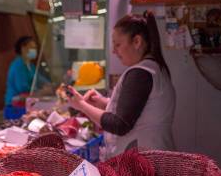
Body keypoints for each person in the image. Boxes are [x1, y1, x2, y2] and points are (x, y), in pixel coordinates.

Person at [65, 11, 176, 155]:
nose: (113, 51)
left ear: (137, 41)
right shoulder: (155, 68)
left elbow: (119, 125)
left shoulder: (140, 74)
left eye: (117, 44)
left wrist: (81, 105)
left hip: (143, 162)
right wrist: (104, 103)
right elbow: (139, 112)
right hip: (153, 156)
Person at [5, 36, 52, 106]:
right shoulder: (18, 65)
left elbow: (41, 80)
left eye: (36, 48)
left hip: (28, 100)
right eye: (32, 48)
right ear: (23, 48)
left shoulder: (31, 66)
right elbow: (22, 88)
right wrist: (41, 92)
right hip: (15, 104)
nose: (35, 50)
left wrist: (49, 85)